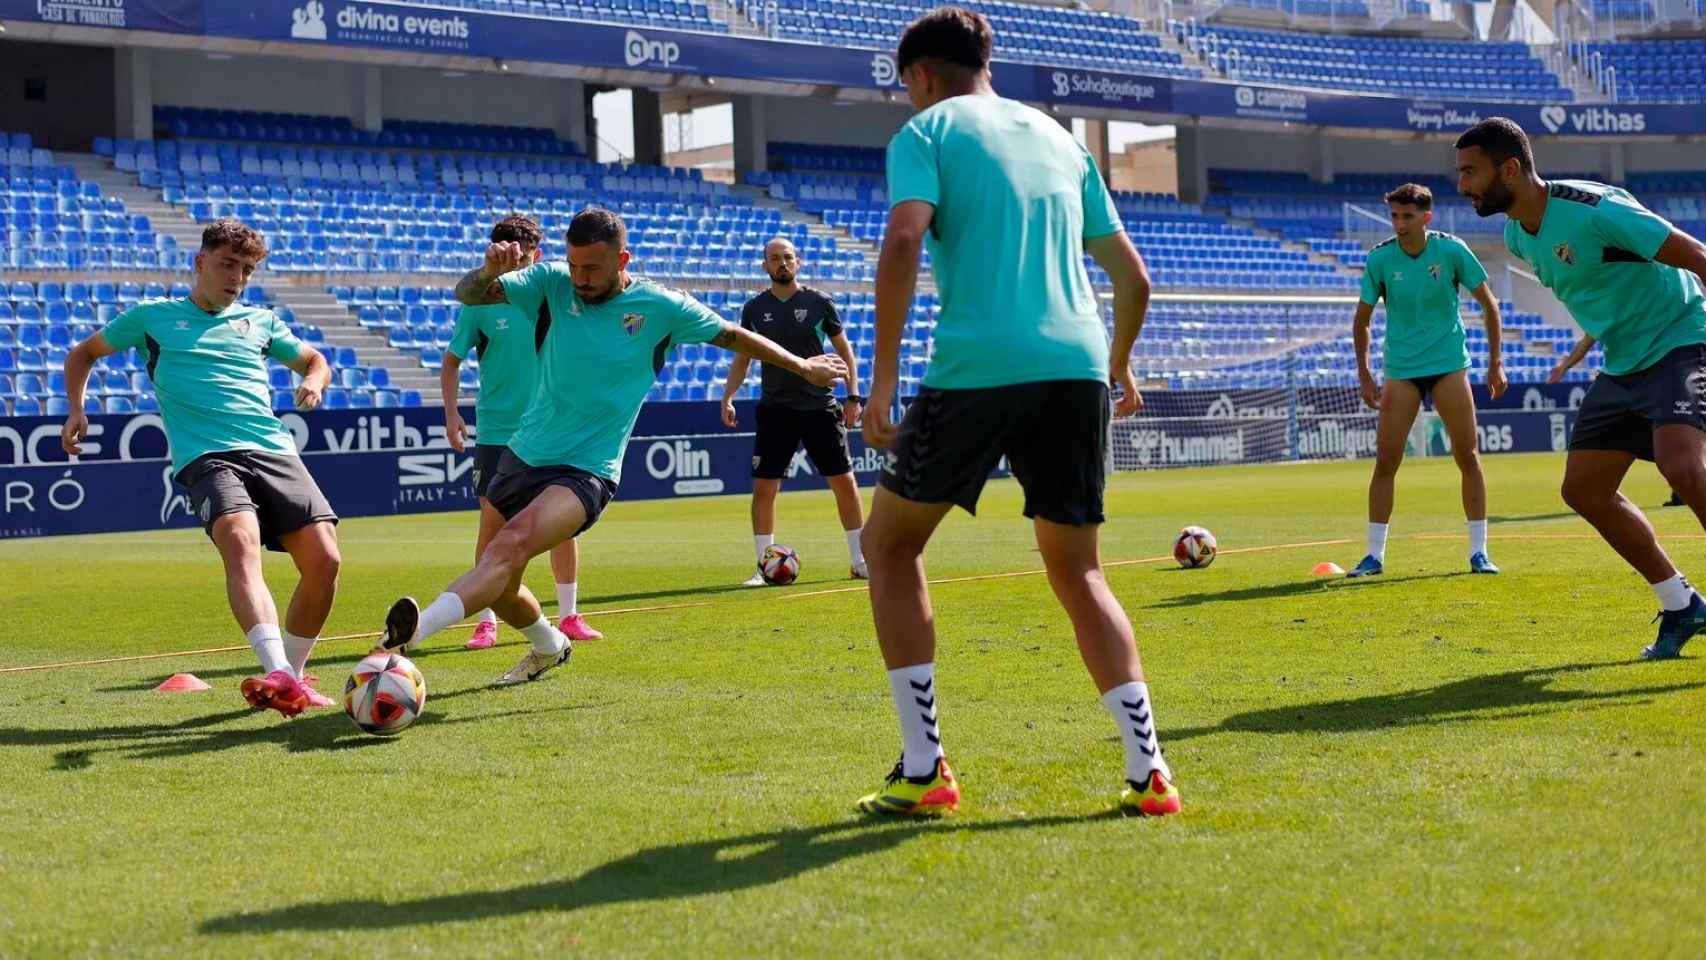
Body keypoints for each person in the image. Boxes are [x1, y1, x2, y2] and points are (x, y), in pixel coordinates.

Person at [854, 7, 1177, 817]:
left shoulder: (927, 134)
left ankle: (925, 768)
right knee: (1081, 570)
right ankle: (1150, 774)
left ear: (922, 75)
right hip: (1075, 367)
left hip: (977, 364)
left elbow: (901, 243)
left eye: (907, 88)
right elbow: (1134, 278)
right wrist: (1118, 366)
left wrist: (882, 376)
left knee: (888, 547)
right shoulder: (1063, 138)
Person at [378, 208, 846, 683]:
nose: (579, 279)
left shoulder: (663, 306)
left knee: (509, 546)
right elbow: (468, 293)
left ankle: (410, 637)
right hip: (523, 452)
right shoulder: (551, 281)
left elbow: (732, 335)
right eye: (574, 266)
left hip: (587, 469)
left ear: (623, 259)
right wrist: (487, 274)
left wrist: (804, 368)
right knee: (498, 579)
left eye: (592, 269)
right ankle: (548, 643)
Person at [61, 219, 341, 715]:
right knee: (239, 540)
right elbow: (82, 354)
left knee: (325, 561)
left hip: (273, 449)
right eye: (228, 264)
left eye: (247, 269)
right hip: (206, 455)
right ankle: (277, 668)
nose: (237, 277)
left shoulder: (262, 322)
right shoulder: (152, 318)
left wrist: (315, 381)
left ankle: (290, 676)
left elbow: (315, 359)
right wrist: (77, 409)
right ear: (200, 262)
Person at [1456, 116, 1706, 658]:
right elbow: (1603, 288)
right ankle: (1682, 605)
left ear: (1511, 169)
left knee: (1681, 465)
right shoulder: (1515, 236)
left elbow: (1699, 259)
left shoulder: (1595, 210)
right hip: (1623, 361)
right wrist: (1583, 350)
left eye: (1471, 172)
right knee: (1584, 490)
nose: (1462, 185)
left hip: (1682, 336)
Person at [442, 214, 600, 649]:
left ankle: (568, 615)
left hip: (553, 430)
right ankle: (486, 620)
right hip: (497, 430)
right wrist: (452, 414)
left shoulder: (555, 297)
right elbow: (452, 359)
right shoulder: (479, 304)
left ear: (538, 256)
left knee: (562, 527)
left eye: (523, 255)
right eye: (505, 254)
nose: (515, 263)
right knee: (491, 527)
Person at [1347, 182, 1507, 578]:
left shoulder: (1451, 250)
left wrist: (1495, 363)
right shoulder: (1380, 259)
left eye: (1407, 216)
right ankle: (1374, 556)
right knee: (1386, 461)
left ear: (1426, 217)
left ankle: (1479, 552)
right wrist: (1365, 374)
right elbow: (1361, 321)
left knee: (1467, 456)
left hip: (1449, 364)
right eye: (1395, 216)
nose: (1400, 224)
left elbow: (1489, 305)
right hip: (1401, 369)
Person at [721, 237, 868, 585]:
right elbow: (742, 358)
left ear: (798, 262)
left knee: (845, 484)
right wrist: (728, 396)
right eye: (774, 259)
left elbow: (845, 352)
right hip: (776, 410)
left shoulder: (820, 303)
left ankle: (860, 560)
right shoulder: (754, 309)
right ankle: (763, 566)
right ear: (765, 266)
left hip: (819, 407)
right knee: (764, 489)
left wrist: (854, 397)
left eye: (787, 257)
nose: (782, 263)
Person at [1550, 334, 1686, 507]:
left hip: (1666, 369)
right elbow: (1587, 340)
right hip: (1623, 378)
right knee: (1669, 446)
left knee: (1675, 446)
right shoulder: (1608, 315)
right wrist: (1564, 366)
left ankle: (1683, 487)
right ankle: (1681, 489)